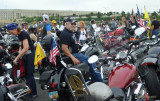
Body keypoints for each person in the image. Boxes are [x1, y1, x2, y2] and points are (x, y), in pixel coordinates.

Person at [60, 17, 103, 82]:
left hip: (76, 52)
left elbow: (78, 32)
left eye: (75, 23)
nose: (74, 25)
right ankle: (99, 81)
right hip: (73, 54)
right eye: (72, 23)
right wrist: (73, 58)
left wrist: (75, 29)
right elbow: (64, 48)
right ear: (66, 24)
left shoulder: (70, 31)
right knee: (91, 61)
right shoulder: (65, 34)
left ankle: (89, 78)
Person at [6, 23, 37, 99]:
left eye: (11, 32)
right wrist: (20, 52)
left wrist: (17, 58)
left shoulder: (23, 34)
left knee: (29, 74)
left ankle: (32, 94)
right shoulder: (19, 34)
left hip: (29, 55)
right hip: (26, 55)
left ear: (15, 29)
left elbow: (26, 47)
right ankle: (32, 92)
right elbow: (21, 46)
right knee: (28, 75)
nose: (11, 34)